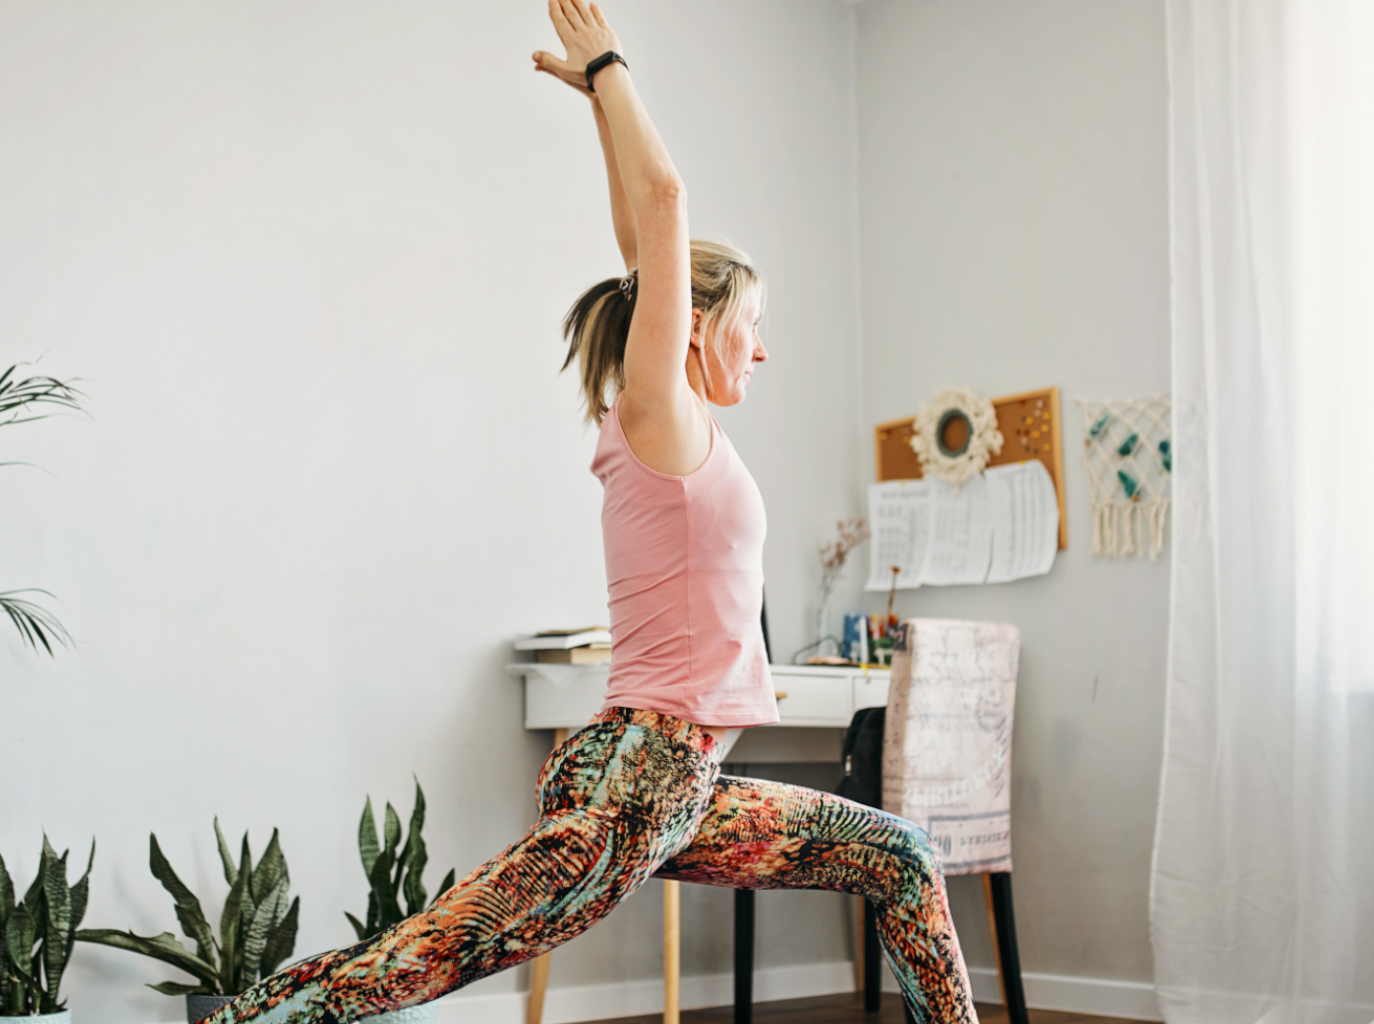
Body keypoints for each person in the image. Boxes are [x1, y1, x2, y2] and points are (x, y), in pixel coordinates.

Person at [204, 3, 977, 1022]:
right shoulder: (656, 412)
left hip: (680, 785)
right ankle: (244, 1017)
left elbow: (638, 243)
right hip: (636, 777)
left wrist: (598, 109)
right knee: (427, 954)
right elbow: (663, 207)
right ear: (698, 326)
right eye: (756, 327)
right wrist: (612, 69)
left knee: (901, 856)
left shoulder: (675, 416)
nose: (765, 349)